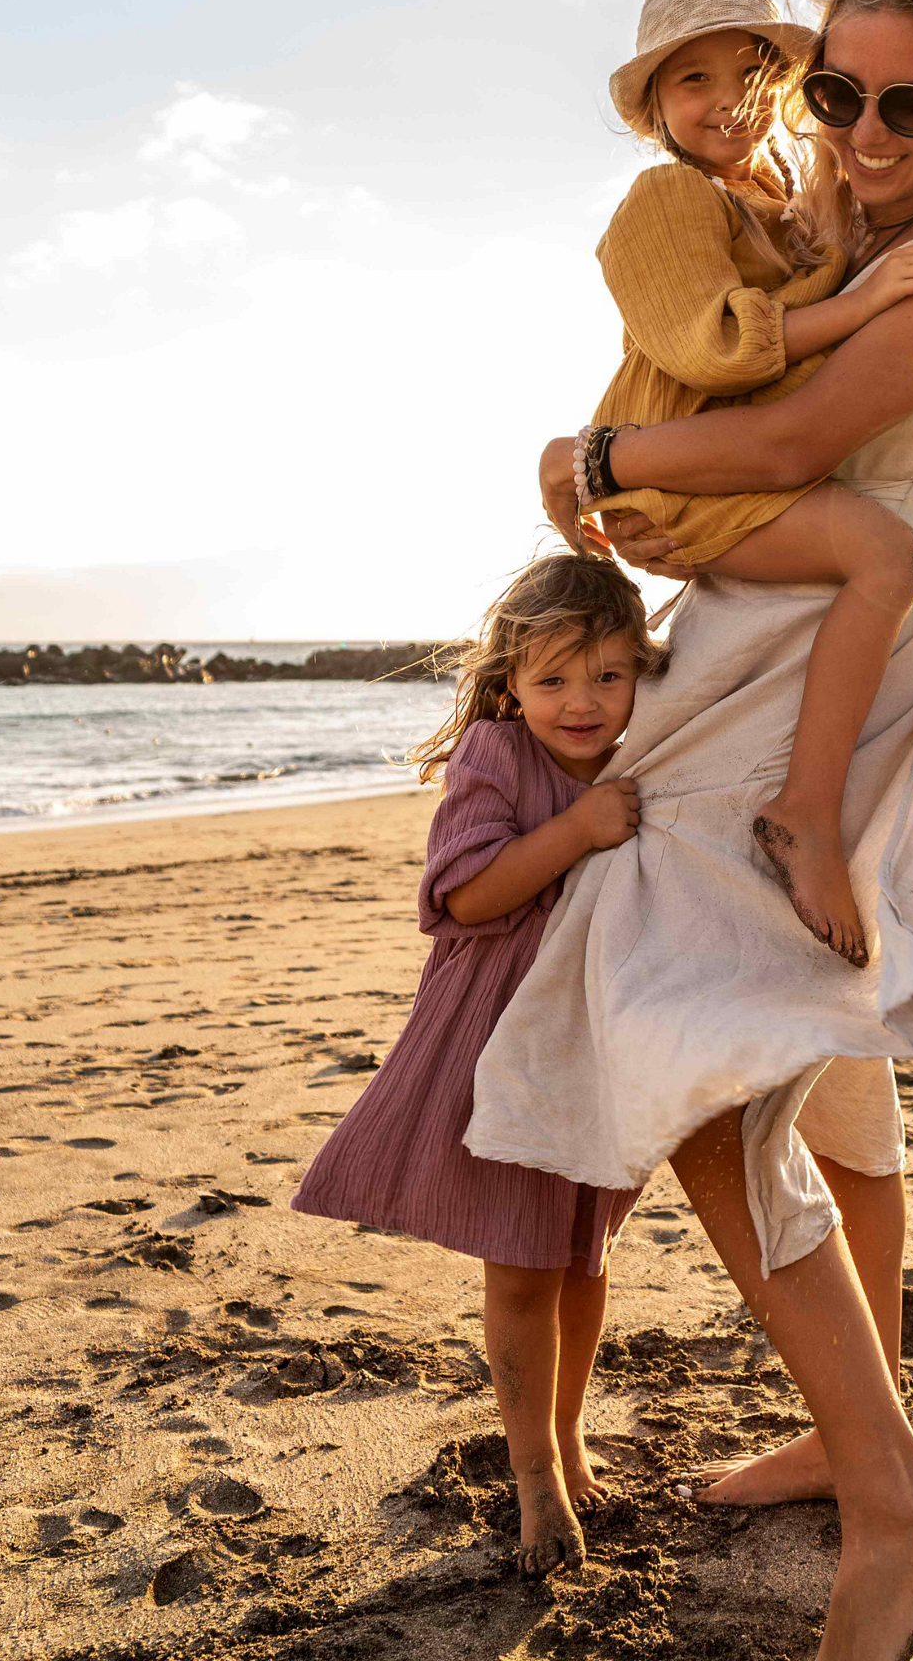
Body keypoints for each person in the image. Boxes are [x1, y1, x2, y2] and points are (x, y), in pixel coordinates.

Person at [468, 0, 913, 1660]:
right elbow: (719, 333)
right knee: (807, 1057)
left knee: (698, 1053)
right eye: (838, 93)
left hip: (834, 650)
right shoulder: (826, 216)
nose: (862, 137)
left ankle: (902, 1502)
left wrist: (588, 455)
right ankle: (858, 1445)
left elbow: (772, 445)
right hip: (746, 633)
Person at [585, 0, 913, 960]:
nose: (725, 101)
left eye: (747, 72)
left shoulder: (775, 197)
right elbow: (709, 345)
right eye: (691, 79)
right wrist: (867, 299)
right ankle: (804, 810)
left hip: (727, 463)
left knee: (879, 556)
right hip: (688, 468)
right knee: (883, 556)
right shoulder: (663, 201)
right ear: (653, 107)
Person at [289, 555, 661, 1573]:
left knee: (581, 1250)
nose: (580, 703)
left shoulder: (653, 748)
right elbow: (465, 898)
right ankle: (532, 1474)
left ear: (641, 672)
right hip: (498, 1035)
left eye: (606, 677)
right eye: (552, 681)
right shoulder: (497, 758)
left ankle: (568, 1433)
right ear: (509, 687)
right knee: (520, 1255)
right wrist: (579, 829)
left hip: (600, 1036)